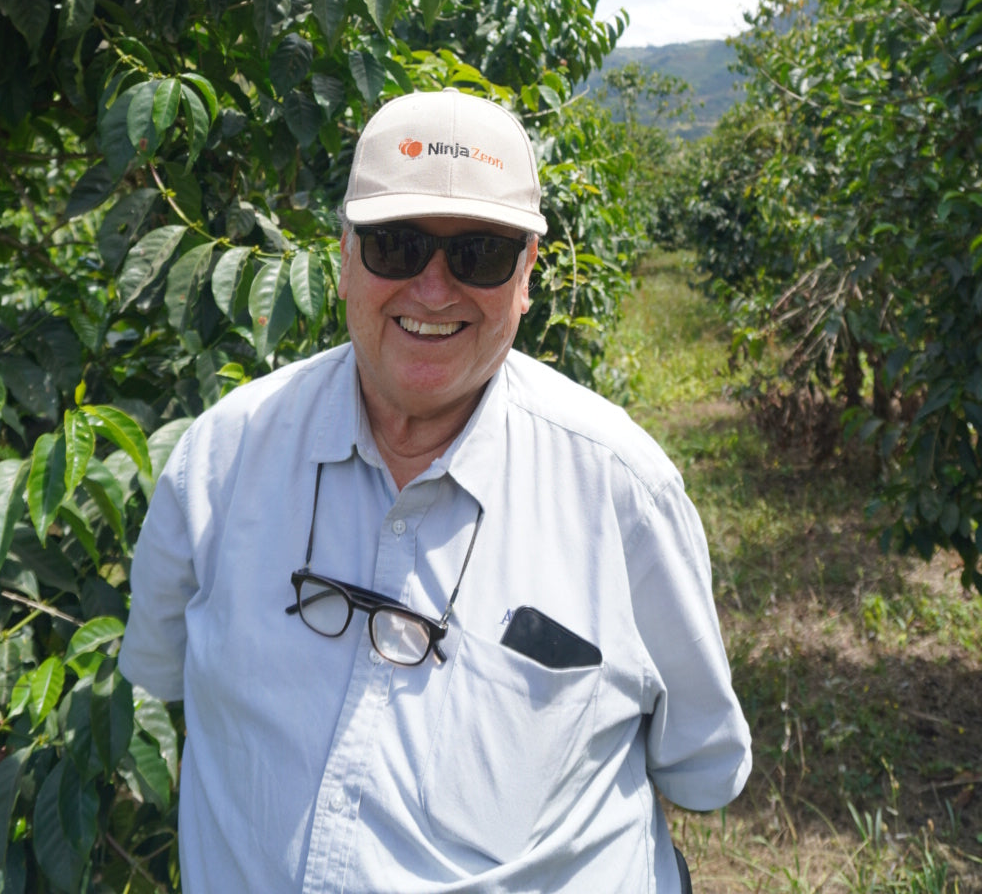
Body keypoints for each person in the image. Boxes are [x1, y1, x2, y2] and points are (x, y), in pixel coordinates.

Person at [120, 89, 751, 892]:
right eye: (397, 245)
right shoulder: (220, 457)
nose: (433, 288)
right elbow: (161, 671)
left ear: (526, 276)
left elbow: (703, 767)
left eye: (479, 255)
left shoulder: (623, 491)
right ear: (344, 258)